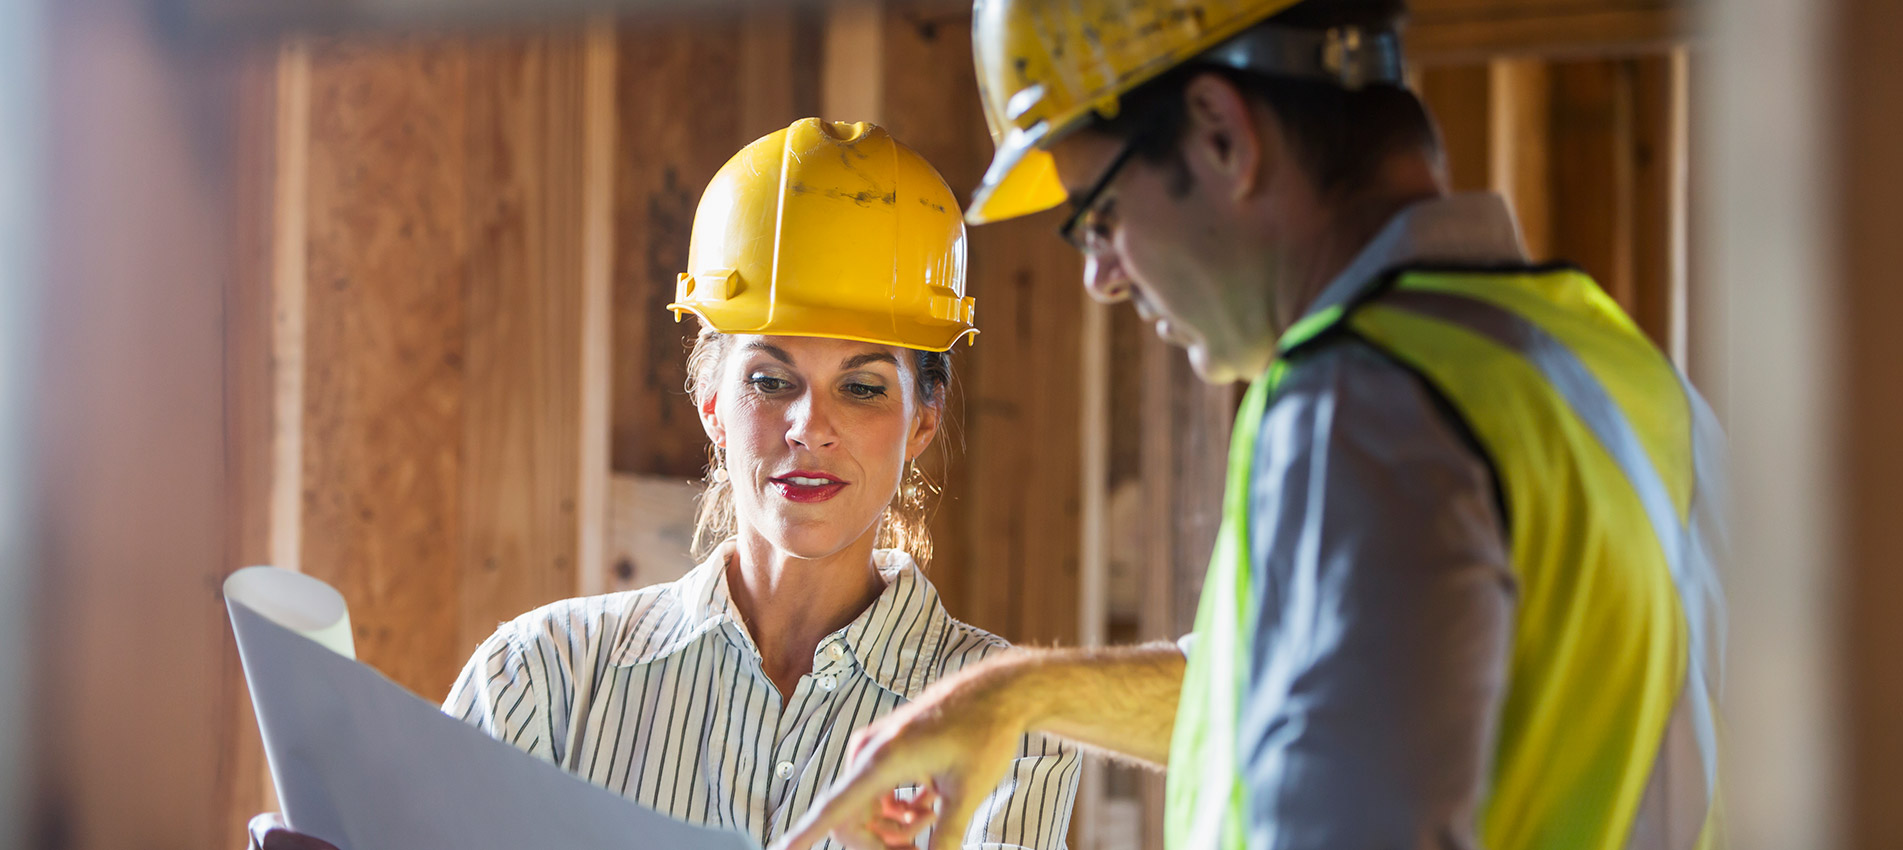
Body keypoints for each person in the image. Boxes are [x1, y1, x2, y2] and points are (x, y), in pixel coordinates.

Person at [778, 2, 1726, 849]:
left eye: (1098, 217)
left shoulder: (1362, 402)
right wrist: (1015, 695)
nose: (1101, 277)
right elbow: (1330, 686)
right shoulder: (1625, 381)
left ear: (1220, 135)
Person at [248, 118, 1078, 850]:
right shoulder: (541, 680)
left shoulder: (1007, 724)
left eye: (862, 387)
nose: (808, 427)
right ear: (712, 401)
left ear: (921, 422)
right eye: (770, 380)